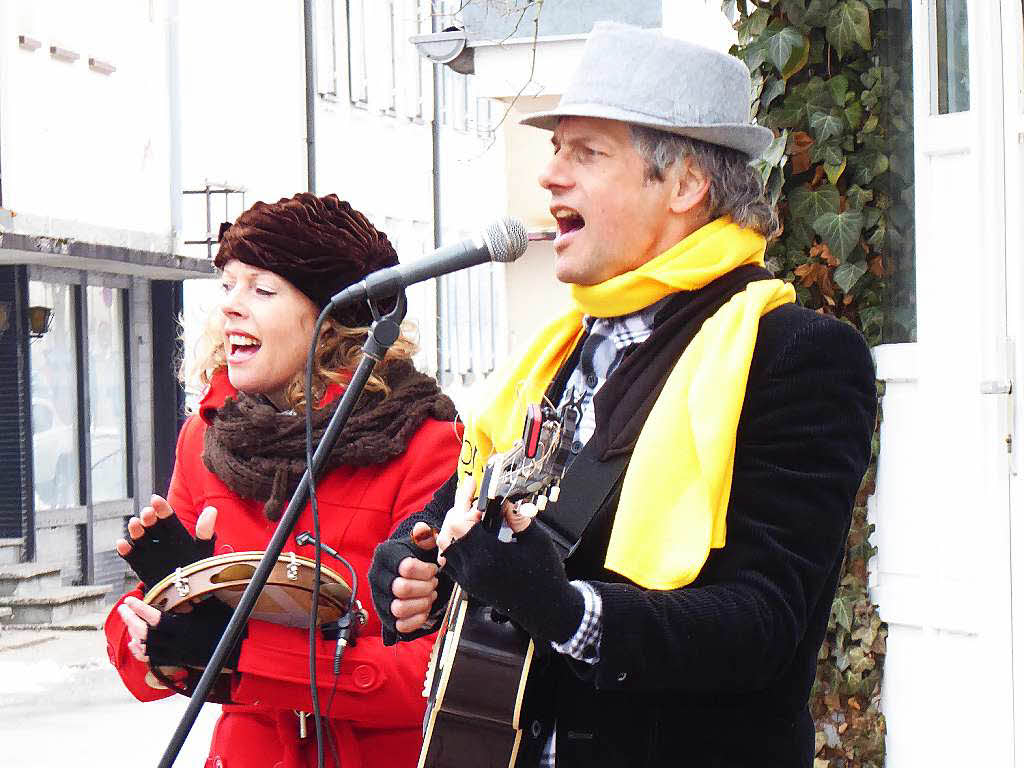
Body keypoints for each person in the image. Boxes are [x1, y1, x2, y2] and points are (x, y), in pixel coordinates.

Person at [368, 23, 877, 768]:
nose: (550, 177)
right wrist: (414, 568)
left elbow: (761, 625)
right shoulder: (558, 354)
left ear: (684, 185)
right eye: (555, 149)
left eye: (588, 152)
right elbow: (462, 516)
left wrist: (560, 606)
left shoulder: (797, 356)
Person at [104, 193, 461, 768]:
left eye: (262, 290)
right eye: (227, 286)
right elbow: (145, 658)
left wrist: (241, 654)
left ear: (335, 323)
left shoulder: (425, 443)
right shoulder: (206, 436)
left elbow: (433, 675)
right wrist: (161, 617)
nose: (230, 310)